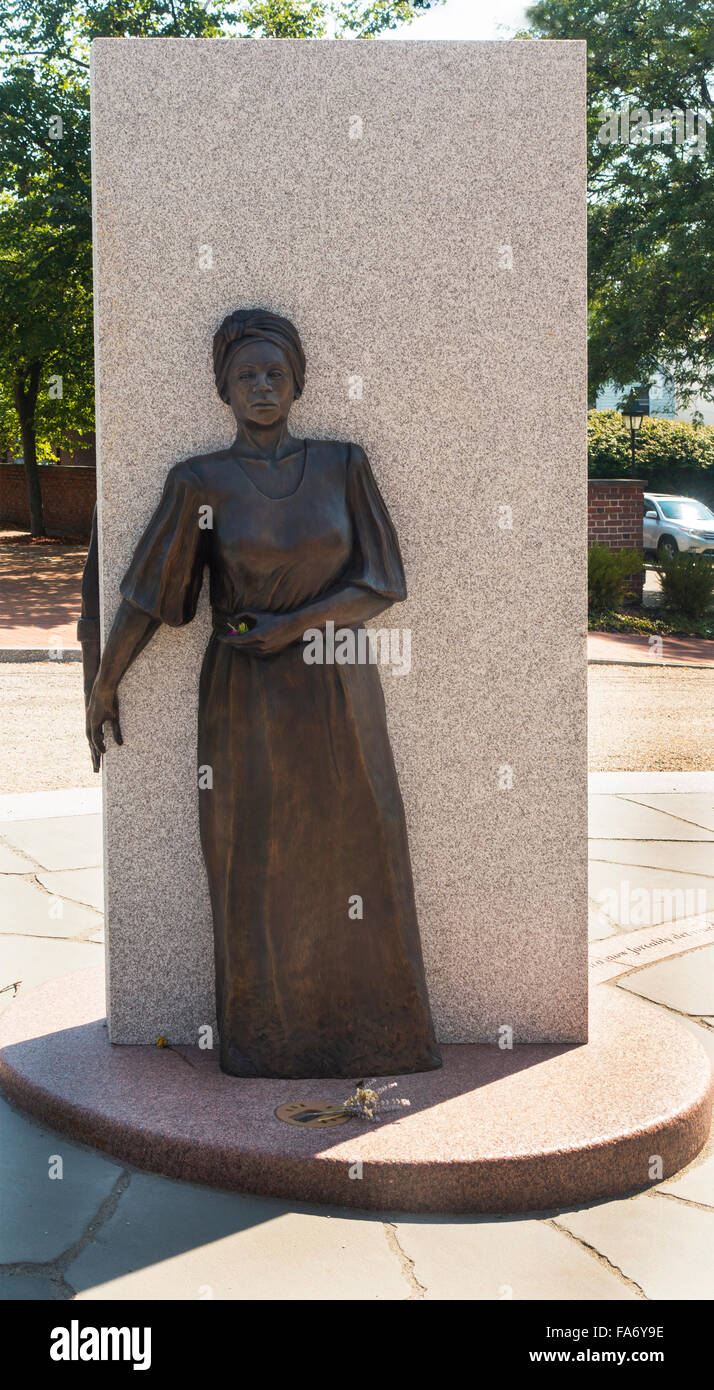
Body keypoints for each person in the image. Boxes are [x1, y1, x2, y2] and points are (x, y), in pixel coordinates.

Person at [87, 308, 441, 1079]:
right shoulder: (201, 482)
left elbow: (383, 581)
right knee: (254, 858)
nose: (261, 386)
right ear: (223, 388)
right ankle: (266, 1035)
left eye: (274, 373)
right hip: (244, 697)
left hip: (338, 679)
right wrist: (104, 680)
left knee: (361, 844)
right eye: (246, 374)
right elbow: (152, 596)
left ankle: (379, 1031)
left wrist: (297, 625)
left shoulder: (344, 465)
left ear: (298, 382)